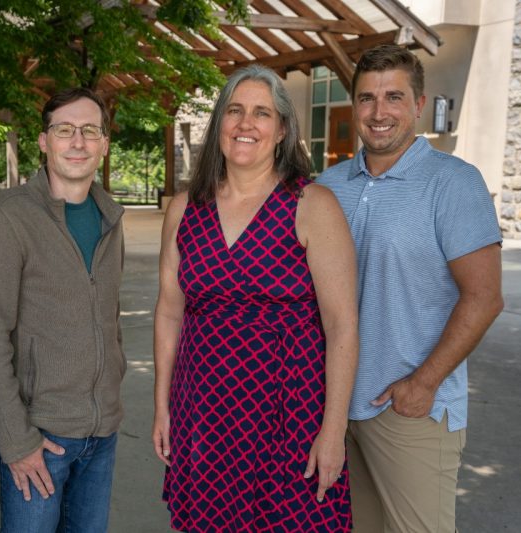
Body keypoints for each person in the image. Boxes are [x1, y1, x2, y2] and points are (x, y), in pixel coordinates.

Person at [152, 65, 358, 532]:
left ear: (282, 129)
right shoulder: (185, 209)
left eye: (261, 113)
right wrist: (162, 406)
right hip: (202, 411)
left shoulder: (312, 206)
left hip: (288, 413)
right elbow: (168, 312)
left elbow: (342, 326)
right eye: (235, 111)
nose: (246, 124)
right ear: (220, 123)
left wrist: (333, 431)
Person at [317, 44, 504, 533]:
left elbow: (484, 296)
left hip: (407, 410)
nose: (380, 113)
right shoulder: (327, 186)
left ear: (419, 104)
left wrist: (423, 384)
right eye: (367, 99)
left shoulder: (453, 183)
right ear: (353, 105)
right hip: (330, 406)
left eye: (394, 97)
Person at [0, 87, 125, 533]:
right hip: (39, 437)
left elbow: (109, 319)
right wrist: (16, 441)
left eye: (90, 130)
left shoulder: (110, 216)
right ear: (43, 141)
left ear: (104, 145)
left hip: (101, 434)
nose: (78, 141)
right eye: (65, 129)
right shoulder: (8, 216)